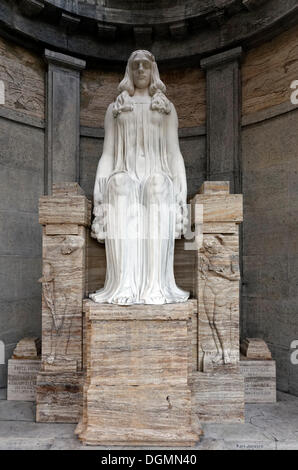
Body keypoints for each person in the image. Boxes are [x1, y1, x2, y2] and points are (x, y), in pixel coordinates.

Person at [90, 50, 189, 305]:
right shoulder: (116, 109)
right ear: (130, 71)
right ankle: (124, 284)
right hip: (125, 173)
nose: (141, 70)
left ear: (153, 70)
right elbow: (108, 154)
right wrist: (99, 185)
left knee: (157, 186)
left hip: (158, 175)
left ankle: (155, 285)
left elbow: (174, 152)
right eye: (136, 66)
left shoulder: (166, 108)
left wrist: (181, 184)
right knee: (119, 184)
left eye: (146, 65)